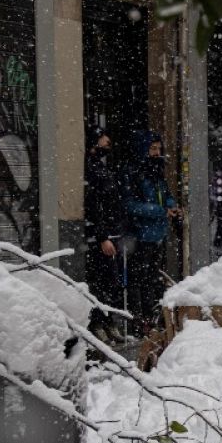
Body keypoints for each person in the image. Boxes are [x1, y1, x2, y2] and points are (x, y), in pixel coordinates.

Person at [125, 131, 181, 335]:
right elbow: (131, 205)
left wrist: (171, 206)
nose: (157, 153)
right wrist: (160, 211)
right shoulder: (134, 173)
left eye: (159, 148)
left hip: (157, 235)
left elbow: (166, 194)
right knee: (139, 280)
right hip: (140, 235)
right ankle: (140, 321)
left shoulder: (156, 172)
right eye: (153, 149)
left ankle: (153, 317)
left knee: (154, 279)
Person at [84, 129, 129, 341]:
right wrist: (102, 236)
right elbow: (94, 204)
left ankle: (108, 321)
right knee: (102, 282)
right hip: (103, 236)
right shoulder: (91, 169)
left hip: (111, 232)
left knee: (111, 282)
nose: (108, 144)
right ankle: (98, 322)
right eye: (104, 141)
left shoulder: (101, 168)